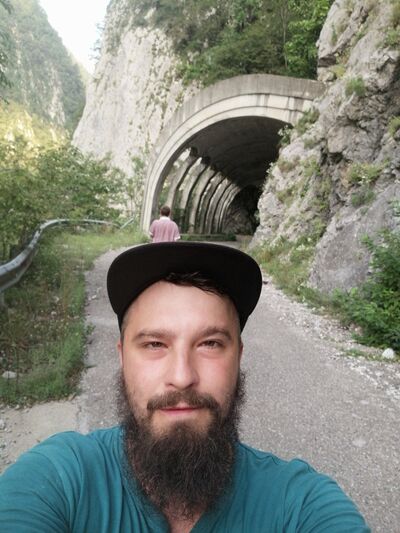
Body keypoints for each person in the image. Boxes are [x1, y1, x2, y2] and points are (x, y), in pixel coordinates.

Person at [0, 242, 370, 532]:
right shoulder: (60, 480)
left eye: (210, 343)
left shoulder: (299, 504)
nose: (182, 376)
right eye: (154, 344)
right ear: (122, 357)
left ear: (238, 357)